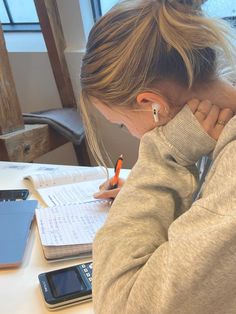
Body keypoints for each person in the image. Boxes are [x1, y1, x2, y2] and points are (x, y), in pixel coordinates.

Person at [79, 0, 236, 313]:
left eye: (123, 124)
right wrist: (143, 195)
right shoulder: (219, 130)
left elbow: (119, 304)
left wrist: (162, 155)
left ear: (152, 103)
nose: (131, 133)